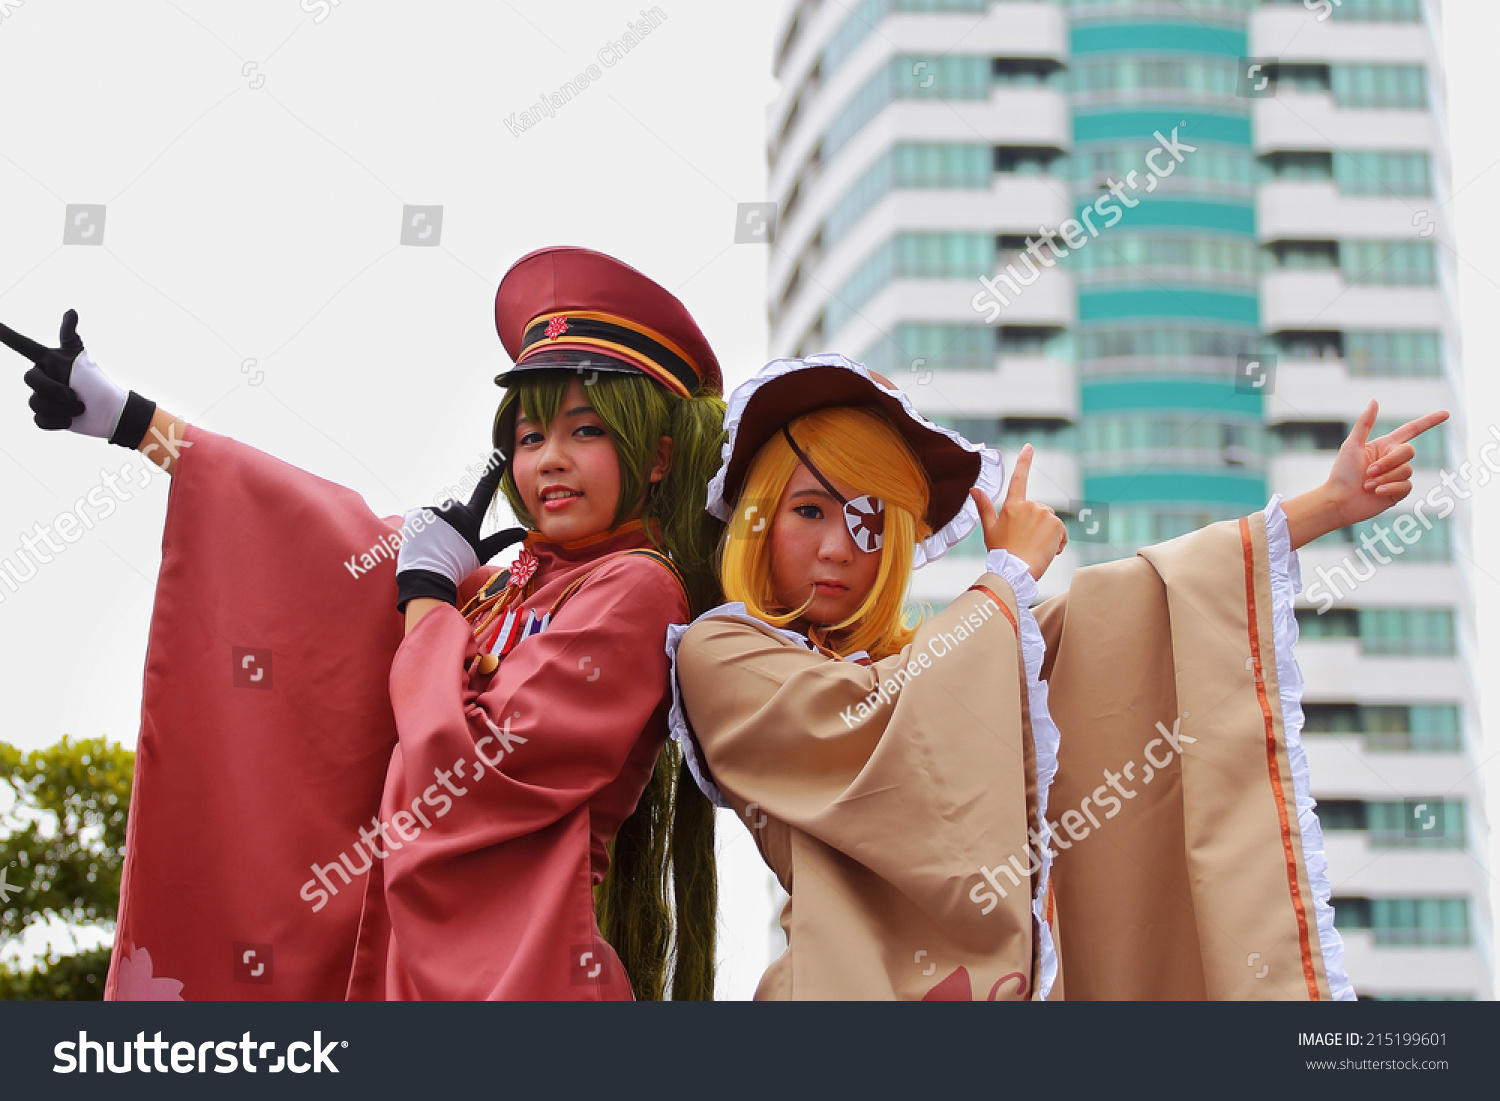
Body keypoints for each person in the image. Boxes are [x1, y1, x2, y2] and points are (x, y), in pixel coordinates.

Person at [2, 246, 725, 1000]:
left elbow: (465, 766)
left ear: (655, 457)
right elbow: (321, 543)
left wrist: (424, 598)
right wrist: (134, 422)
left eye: (585, 431)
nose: (548, 460)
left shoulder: (637, 588)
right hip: (419, 975)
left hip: (525, 979)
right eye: (530, 437)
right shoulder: (501, 588)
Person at [669, 352, 1447, 1001]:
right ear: (760, 516)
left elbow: (1117, 620)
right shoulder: (722, 654)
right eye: (810, 509)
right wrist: (1005, 577)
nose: (841, 545)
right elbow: (866, 718)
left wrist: (1325, 505)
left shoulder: (940, 654)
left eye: (871, 519)